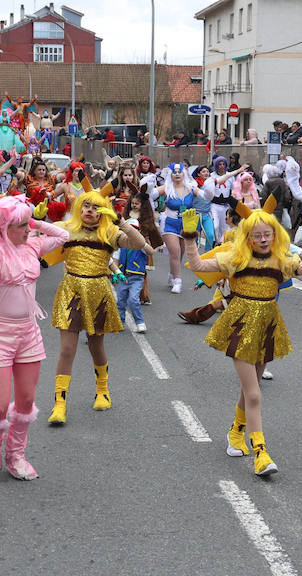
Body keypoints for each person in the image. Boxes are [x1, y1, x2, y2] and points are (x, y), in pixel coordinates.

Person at [184, 209, 302, 476]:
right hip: (241, 324)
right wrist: (189, 236)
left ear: (275, 235)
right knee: (254, 392)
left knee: (248, 388)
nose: (263, 239)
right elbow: (197, 266)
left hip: (267, 326)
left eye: (267, 234)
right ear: (248, 238)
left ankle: (236, 433)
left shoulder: (281, 260)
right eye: (257, 236)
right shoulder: (236, 259)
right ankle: (260, 453)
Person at [0, 195, 71, 479]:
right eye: (19, 226)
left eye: (26, 225)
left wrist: (31, 219)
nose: (27, 230)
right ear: (4, 226)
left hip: (29, 333)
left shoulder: (33, 245)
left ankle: (16, 455)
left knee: (26, 402)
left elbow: (64, 233)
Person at [47, 190, 149, 425]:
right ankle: (59, 404)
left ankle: (102, 389)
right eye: (86, 206)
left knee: (96, 344)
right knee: (66, 349)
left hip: (98, 293)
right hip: (71, 291)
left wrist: (119, 221)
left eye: (95, 207)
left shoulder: (109, 232)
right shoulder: (67, 228)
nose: (89, 210)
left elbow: (139, 243)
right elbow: (38, 235)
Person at [114, 190, 159, 333]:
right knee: (120, 301)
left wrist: (144, 244)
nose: (131, 233)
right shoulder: (121, 242)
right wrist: (115, 271)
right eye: (129, 230)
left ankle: (140, 322)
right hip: (123, 276)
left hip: (136, 276)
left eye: (134, 230)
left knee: (133, 300)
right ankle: (120, 322)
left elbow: (151, 251)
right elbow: (114, 257)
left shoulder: (140, 242)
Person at [153, 163, 200, 293]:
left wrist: (209, 186)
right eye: (174, 172)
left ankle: (172, 274)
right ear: (171, 175)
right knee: (175, 252)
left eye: (180, 172)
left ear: (184, 174)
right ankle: (178, 281)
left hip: (186, 225)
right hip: (170, 223)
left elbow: (206, 196)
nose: (177, 174)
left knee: (181, 253)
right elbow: (150, 194)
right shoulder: (167, 188)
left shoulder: (190, 188)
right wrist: (150, 183)